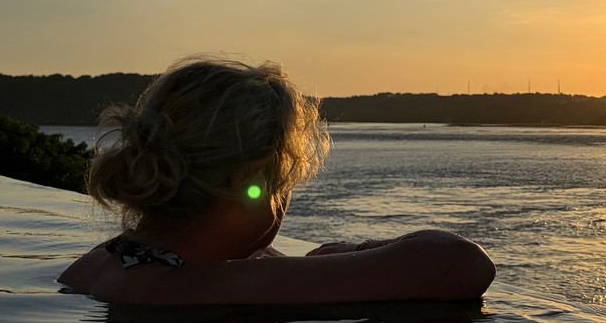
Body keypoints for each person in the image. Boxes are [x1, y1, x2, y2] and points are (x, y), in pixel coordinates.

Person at [58, 57, 496, 305]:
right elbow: (460, 262)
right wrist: (349, 254)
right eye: (285, 182)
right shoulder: (211, 287)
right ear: (252, 184)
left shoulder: (100, 264)